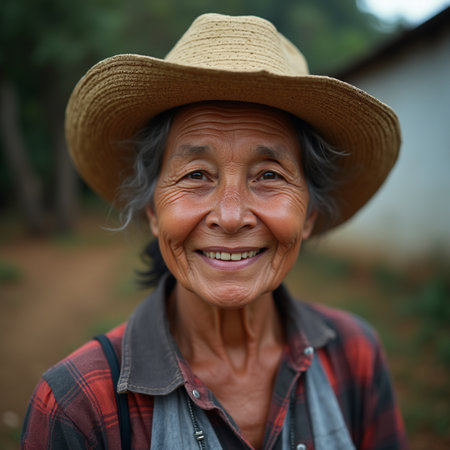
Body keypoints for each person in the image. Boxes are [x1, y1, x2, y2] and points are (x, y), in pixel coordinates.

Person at [21, 13, 408, 450]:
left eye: (268, 175)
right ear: (153, 210)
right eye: (196, 174)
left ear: (309, 215)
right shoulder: (79, 405)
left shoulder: (355, 355)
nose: (230, 215)